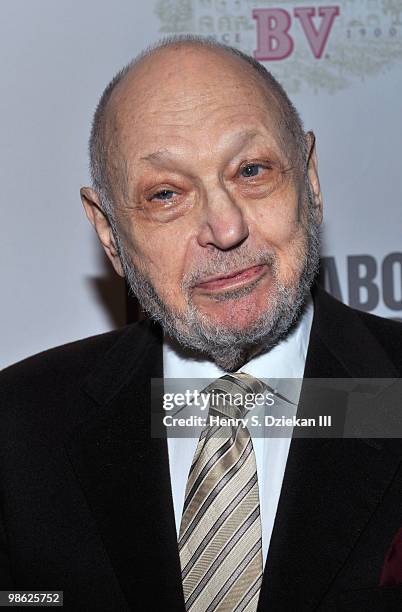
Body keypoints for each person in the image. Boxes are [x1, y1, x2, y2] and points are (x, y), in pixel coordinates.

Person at [1, 36, 402, 611]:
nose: (225, 226)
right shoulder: (18, 431)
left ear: (309, 182)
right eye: (166, 194)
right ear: (109, 232)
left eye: (252, 169)